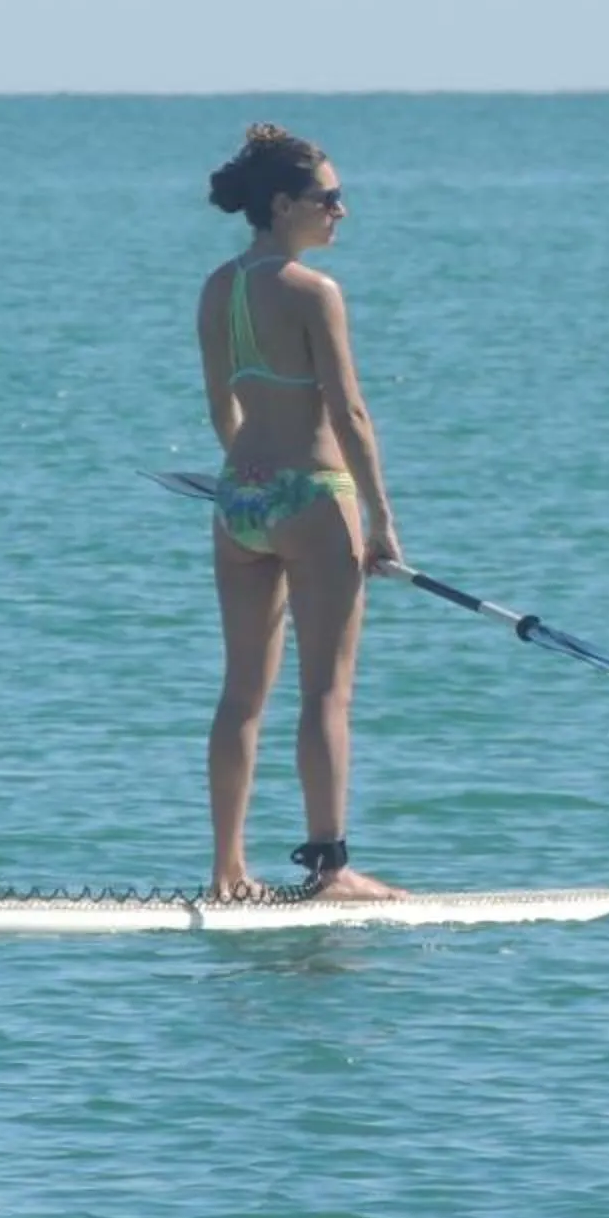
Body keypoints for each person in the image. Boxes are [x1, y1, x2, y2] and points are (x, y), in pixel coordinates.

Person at [199, 123, 406, 900]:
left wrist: (245, 471)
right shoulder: (314, 292)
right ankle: (331, 870)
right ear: (284, 205)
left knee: (241, 693)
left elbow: (222, 406)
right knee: (325, 692)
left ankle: (226, 872)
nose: (341, 212)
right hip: (316, 498)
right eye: (330, 199)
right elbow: (348, 413)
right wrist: (381, 522)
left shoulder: (218, 287)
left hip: (240, 498)